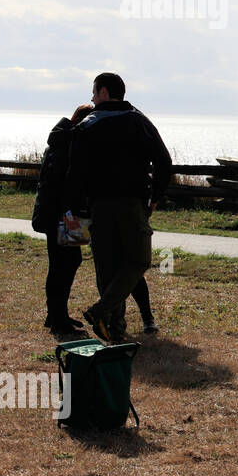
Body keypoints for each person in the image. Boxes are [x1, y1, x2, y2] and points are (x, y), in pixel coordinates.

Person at [63, 73, 172, 344]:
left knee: (108, 268)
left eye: (94, 92)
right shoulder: (138, 121)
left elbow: (73, 173)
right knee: (137, 261)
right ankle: (104, 316)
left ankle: (114, 329)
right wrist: (155, 196)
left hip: (97, 206)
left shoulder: (85, 126)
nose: (91, 98)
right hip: (132, 203)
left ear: (103, 91)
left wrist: (76, 210)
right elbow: (164, 161)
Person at [33, 103, 94, 336]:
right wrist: (69, 214)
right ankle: (58, 319)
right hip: (63, 215)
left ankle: (56, 314)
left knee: (65, 263)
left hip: (58, 213)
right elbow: (63, 184)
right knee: (63, 265)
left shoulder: (62, 140)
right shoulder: (68, 145)